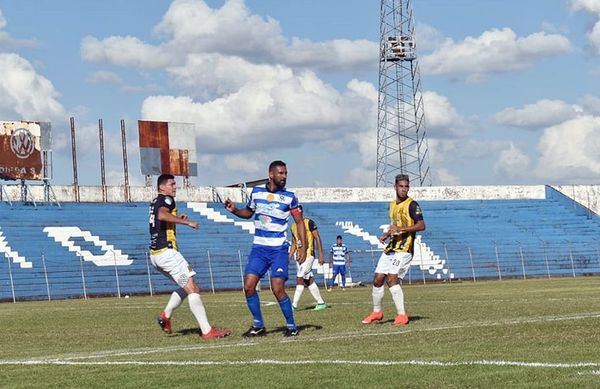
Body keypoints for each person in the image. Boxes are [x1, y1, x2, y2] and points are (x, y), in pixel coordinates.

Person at [224, 160, 307, 337]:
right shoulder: (257, 192)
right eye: (281, 173)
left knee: (277, 288)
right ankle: (258, 326)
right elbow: (248, 213)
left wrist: (302, 246)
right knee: (248, 286)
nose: (284, 176)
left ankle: (292, 326)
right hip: (259, 249)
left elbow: (299, 222)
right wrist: (234, 210)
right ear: (271, 174)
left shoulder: (290, 197)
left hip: (278, 250)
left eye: (285, 173)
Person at [149, 174, 230, 339]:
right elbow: (162, 215)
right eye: (171, 184)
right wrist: (187, 222)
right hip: (167, 252)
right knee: (192, 288)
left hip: (156, 255)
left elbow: (161, 219)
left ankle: (166, 315)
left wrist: (178, 219)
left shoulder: (155, 201)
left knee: (188, 286)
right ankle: (207, 331)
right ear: (162, 187)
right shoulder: (167, 199)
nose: (174, 187)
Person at [362, 174, 425, 326]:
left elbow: (421, 225)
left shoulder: (412, 205)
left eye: (406, 187)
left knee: (391, 279)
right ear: (395, 187)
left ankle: (402, 315)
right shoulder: (392, 205)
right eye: (401, 186)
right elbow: (395, 225)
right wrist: (387, 234)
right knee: (377, 279)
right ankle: (377, 312)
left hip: (404, 249)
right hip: (392, 247)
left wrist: (401, 229)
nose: (404, 189)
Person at [289, 205, 328, 311]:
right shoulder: (293, 226)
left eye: (298, 212)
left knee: (300, 278)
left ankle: (293, 305)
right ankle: (321, 303)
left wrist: (320, 255)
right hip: (298, 257)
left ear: (301, 212)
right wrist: (289, 256)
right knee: (308, 280)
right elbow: (293, 243)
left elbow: (317, 238)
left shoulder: (309, 222)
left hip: (308, 255)